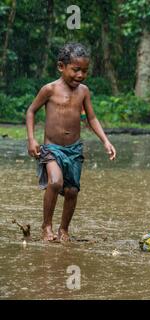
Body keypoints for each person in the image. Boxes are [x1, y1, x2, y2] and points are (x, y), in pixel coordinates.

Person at [26, 43, 116, 242]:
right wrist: (32, 139)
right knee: (56, 182)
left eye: (85, 71)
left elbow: (92, 118)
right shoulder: (49, 89)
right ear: (61, 67)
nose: (80, 75)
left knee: (72, 190)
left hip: (74, 149)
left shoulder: (83, 91)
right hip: (51, 147)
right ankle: (46, 226)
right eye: (76, 70)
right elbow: (31, 111)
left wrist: (106, 141)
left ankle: (63, 229)